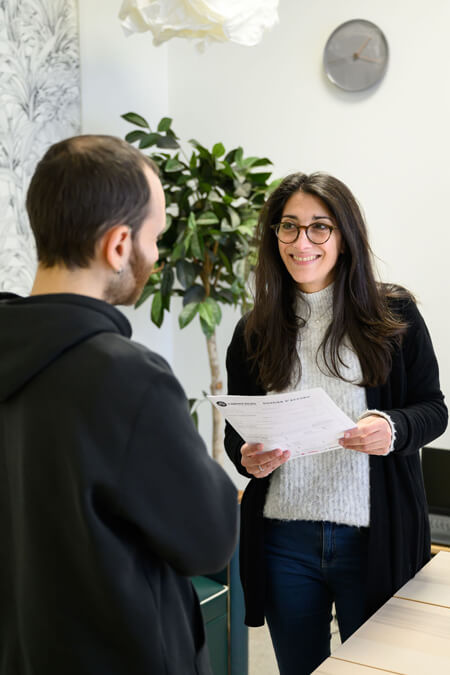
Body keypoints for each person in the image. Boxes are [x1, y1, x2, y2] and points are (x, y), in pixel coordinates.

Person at [0, 135, 238, 675]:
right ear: (117, 245)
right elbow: (209, 541)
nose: (156, 256)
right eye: (154, 238)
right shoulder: (128, 378)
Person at [224, 172, 448, 675]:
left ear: (344, 237)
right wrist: (247, 456)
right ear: (274, 236)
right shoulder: (254, 329)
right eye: (289, 227)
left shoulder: (393, 314)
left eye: (319, 227)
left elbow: (433, 409)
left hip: (373, 539)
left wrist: (391, 429)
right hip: (285, 542)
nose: (302, 242)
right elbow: (239, 430)